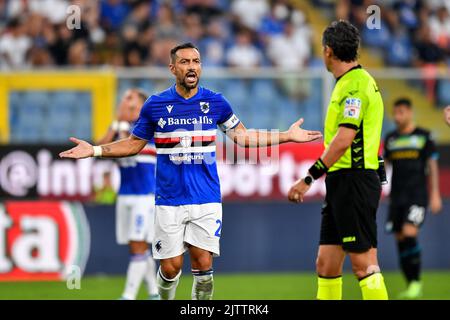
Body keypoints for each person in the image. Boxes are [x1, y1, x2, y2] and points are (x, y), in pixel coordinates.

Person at [59, 42, 322, 300]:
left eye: (196, 61)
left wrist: (287, 135)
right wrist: (94, 150)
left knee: (203, 265)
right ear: (172, 68)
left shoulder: (216, 102)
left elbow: (243, 137)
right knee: (170, 267)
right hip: (169, 200)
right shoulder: (155, 105)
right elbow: (133, 144)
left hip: (206, 197)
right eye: (185, 62)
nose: (192, 67)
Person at [288, 20, 388, 300]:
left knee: (363, 264)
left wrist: (309, 178)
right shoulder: (350, 82)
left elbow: (344, 140)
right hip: (342, 182)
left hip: (354, 180)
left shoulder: (355, 86)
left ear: (328, 51)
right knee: (326, 264)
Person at [96, 88, 159, 300]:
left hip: (145, 195)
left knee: (138, 245)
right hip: (125, 195)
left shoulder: (149, 126)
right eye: (123, 98)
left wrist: (121, 128)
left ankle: (128, 295)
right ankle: (154, 293)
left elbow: (131, 147)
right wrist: (116, 122)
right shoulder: (120, 128)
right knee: (138, 247)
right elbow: (99, 148)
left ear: (142, 104)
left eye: (130, 98)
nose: (125, 102)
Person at [384, 98, 442, 299]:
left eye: (400, 112)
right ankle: (411, 283)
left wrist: (435, 194)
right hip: (396, 197)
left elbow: (432, 166)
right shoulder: (391, 138)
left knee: (409, 232)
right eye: (395, 112)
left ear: (409, 112)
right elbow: (386, 168)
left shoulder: (424, 136)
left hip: (417, 195)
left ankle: (416, 281)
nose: (397, 116)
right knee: (400, 239)